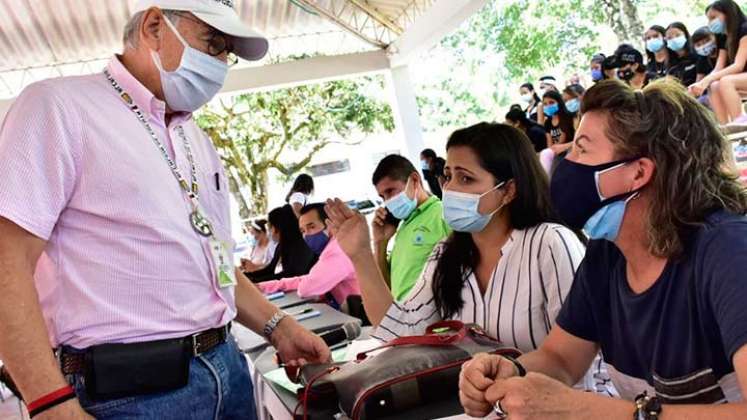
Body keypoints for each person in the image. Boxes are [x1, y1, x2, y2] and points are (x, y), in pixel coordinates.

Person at [0, 2, 329, 419]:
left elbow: (217, 263)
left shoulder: (196, 140)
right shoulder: (58, 107)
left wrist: (278, 327)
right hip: (130, 393)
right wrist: (50, 402)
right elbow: (5, 259)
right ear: (155, 26)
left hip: (227, 367)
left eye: (227, 53)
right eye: (213, 44)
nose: (221, 64)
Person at [459, 79, 747, 419]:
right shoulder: (606, 254)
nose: (568, 160)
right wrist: (512, 370)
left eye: (582, 148)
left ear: (638, 172)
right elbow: (561, 358)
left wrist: (590, 411)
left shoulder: (729, 252)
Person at [325, 123, 613, 392]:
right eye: (448, 176)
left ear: (508, 190)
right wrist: (361, 254)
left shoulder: (549, 243)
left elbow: (577, 367)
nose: (449, 189)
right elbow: (396, 331)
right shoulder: (446, 255)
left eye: (466, 178)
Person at [369, 155, 451, 301]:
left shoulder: (444, 214)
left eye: (390, 191)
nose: (387, 202)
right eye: (382, 197)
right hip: (403, 319)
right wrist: (380, 242)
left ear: (414, 180)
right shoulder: (402, 227)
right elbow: (386, 288)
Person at [258, 203, 361, 309]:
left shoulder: (337, 251)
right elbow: (308, 280)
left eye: (311, 227)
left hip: (363, 317)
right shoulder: (332, 247)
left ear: (330, 224)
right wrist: (265, 286)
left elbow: (306, 289)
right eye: (303, 231)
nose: (307, 235)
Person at [690, 0, 747, 124]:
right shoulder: (723, 37)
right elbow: (718, 68)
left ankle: (741, 122)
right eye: (708, 19)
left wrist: (706, 80)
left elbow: (738, 65)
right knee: (714, 85)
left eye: (713, 17)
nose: (710, 23)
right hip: (743, 79)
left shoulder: (744, 29)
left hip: (742, 77)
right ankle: (726, 127)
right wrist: (701, 84)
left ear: (728, 14)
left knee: (727, 81)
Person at [246, 205, 317, 283]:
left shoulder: (301, 246)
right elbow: (270, 269)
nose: (269, 231)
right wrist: (247, 277)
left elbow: (289, 275)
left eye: (270, 227)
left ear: (278, 227)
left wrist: (255, 281)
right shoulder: (281, 245)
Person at [539, 90, 576, 175]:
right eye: (545, 104)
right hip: (556, 151)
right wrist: (552, 150)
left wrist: (554, 149)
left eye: (551, 102)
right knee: (546, 154)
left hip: (568, 149)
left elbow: (562, 141)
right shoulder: (548, 123)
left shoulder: (568, 117)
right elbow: (549, 143)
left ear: (559, 102)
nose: (548, 106)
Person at [665, 22, 699, 86]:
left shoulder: (697, 55)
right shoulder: (670, 64)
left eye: (677, 35)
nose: (674, 39)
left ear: (685, 35)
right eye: (669, 38)